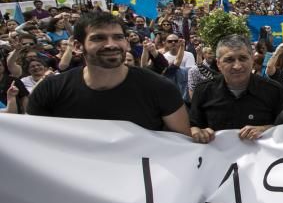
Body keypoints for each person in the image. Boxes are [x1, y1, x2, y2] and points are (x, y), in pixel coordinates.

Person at [26, 12, 190, 135]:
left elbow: (182, 142)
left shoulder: (160, 88)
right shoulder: (49, 91)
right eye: (99, 38)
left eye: (118, 37)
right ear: (77, 46)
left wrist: (197, 134)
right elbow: (32, 141)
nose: (111, 45)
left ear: (126, 43)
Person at [189, 35, 283, 143]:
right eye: (229, 60)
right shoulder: (203, 91)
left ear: (252, 60)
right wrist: (197, 131)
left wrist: (266, 130)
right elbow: (192, 126)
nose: (237, 66)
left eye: (243, 58)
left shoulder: (274, 91)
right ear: (218, 64)